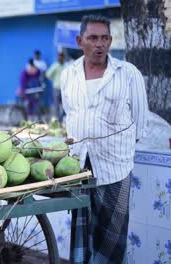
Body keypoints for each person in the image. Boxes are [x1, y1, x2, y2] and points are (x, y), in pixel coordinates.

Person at [61, 15, 148, 264]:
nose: (100, 44)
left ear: (110, 41)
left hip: (115, 167)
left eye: (105, 38)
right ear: (80, 41)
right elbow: (70, 113)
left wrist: (117, 146)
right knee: (81, 232)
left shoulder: (128, 74)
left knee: (111, 238)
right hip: (79, 166)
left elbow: (140, 123)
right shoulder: (69, 75)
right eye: (93, 38)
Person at [46, 52, 65, 121]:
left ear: (63, 58)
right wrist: (53, 80)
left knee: (64, 105)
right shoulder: (55, 66)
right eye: (58, 57)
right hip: (56, 88)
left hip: (64, 89)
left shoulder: (65, 66)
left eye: (61, 57)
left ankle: (63, 118)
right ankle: (57, 119)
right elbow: (48, 74)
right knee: (56, 105)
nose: (59, 58)